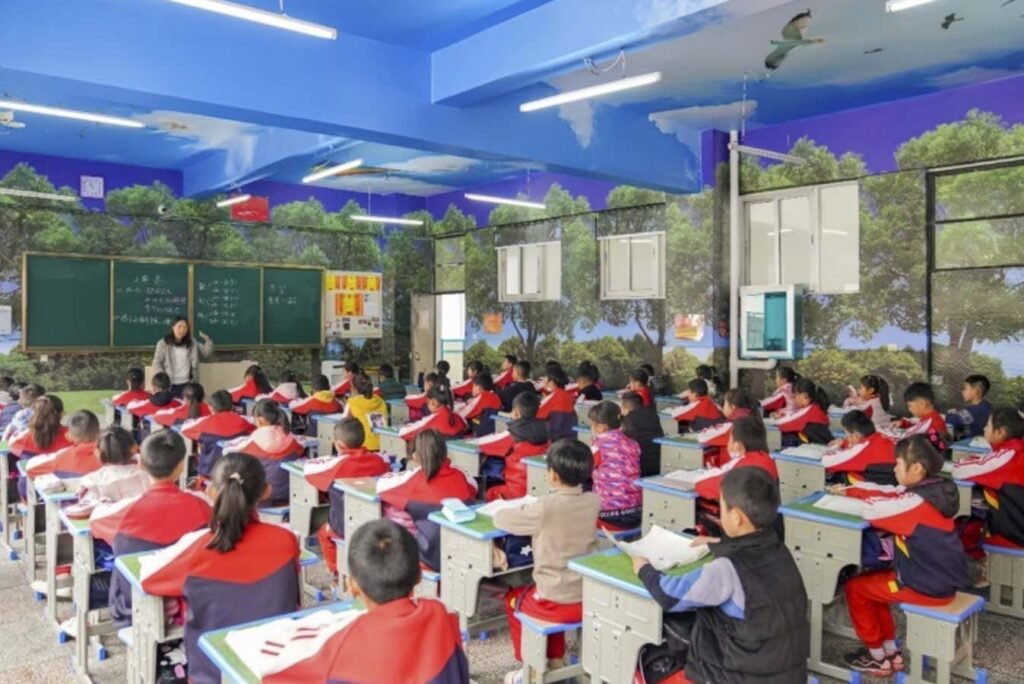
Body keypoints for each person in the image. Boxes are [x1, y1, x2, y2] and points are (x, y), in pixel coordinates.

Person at [630, 468, 809, 684]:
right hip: (788, 674)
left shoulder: (726, 569)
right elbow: (750, 551)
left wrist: (644, 568)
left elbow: (669, 594)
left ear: (737, 518)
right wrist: (720, 544)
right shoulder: (780, 550)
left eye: (722, 507)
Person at [140, 453, 300, 684]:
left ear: (211, 492)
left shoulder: (197, 547)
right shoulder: (286, 540)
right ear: (266, 491)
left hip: (211, 671)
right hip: (275, 665)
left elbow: (148, 579)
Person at [262, 520, 469, 684]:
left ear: (352, 585)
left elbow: (271, 676)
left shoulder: (340, 646)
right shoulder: (441, 616)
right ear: (418, 576)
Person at [838, 435, 969, 676]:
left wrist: (849, 496)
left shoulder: (913, 503)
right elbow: (891, 493)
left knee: (856, 588)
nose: (894, 469)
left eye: (898, 463)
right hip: (941, 578)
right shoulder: (934, 490)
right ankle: (890, 651)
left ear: (916, 468)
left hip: (925, 586)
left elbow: (873, 510)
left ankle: (877, 657)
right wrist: (852, 490)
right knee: (873, 584)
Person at [495, 439, 599, 682]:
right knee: (542, 592)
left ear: (552, 475)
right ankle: (556, 660)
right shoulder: (594, 501)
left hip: (553, 600)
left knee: (514, 599)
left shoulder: (545, 507)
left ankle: (529, 668)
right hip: (587, 596)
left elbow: (501, 520)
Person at [90, 430, 211, 628]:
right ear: (182, 465)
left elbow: (94, 524)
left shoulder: (123, 510)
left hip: (133, 603)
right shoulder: (202, 505)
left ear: (141, 464)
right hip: (191, 596)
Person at [377, 430, 477, 564]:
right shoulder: (460, 475)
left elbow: (381, 486)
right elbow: (474, 486)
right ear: (445, 451)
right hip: (463, 551)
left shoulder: (413, 481)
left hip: (430, 554)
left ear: (416, 456)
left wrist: (416, 468)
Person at [310, 418, 392, 577]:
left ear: (339, 444)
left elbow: (312, 475)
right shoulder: (378, 461)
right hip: (375, 520)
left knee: (323, 533)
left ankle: (336, 574)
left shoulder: (334, 465)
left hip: (341, 524)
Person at [953, 408, 1024, 549]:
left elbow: (958, 470)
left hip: (1016, 534)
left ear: (1001, 432)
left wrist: (972, 460)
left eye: (988, 425)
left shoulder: (1008, 455)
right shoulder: (1017, 449)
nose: (984, 429)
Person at [222, 399, 305, 506]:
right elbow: (301, 450)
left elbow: (228, 453)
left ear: (260, 421)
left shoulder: (252, 442)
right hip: (288, 492)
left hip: (260, 493)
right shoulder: (291, 439)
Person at [480, 391, 550, 501]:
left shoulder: (512, 436)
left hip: (515, 490)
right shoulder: (546, 432)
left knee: (489, 492)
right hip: (540, 488)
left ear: (516, 413)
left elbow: (481, 445)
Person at [694, 415, 777, 502]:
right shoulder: (768, 459)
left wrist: (711, 472)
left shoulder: (741, 466)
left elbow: (701, 484)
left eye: (730, 438)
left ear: (738, 446)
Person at [588, 402, 642, 530]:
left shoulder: (598, 447)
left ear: (600, 427)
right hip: (636, 512)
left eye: (592, 425)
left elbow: (579, 470)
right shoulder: (633, 443)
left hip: (609, 516)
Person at [181, 390, 255, 482]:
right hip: (237, 473)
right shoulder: (244, 421)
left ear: (210, 407)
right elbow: (256, 426)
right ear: (232, 406)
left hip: (210, 474)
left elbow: (184, 428)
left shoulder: (204, 422)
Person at [20, 404, 88, 493]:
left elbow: (29, 468)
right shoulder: (97, 451)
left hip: (37, 488)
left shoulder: (27, 435)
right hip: (74, 490)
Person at [823, 410, 897, 486]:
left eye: (846, 433)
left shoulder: (861, 449)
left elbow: (826, 463)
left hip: (873, 484)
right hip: (894, 479)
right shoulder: (883, 432)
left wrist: (834, 447)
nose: (845, 437)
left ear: (855, 435)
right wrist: (845, 442)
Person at [78, 426, 147, 503]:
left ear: (97, 453)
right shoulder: (149, 474)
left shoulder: (90, 482)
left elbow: (83, 506)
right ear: (135, 448)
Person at [697, 388, 761, 468]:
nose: (723, 407)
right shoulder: (754, 419)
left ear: (732, 407)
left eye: (724, 404)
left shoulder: (733, 425)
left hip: (732, 470)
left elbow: (703, 437)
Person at [151, 316, 213, 398]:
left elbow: (206, 353)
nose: (182, 330)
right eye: (179, 326)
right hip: (169, 385)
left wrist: (208, 340)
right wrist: (163, 380)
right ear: (173, 327)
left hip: (187, 384)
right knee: (171, 405)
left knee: (186, 405)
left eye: (185, 327)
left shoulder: (192, 342)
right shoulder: (163, 343)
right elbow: (157, 362)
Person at [888, 382, 949, 454]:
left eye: (910, 406)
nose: (909, 409)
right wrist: (903, 423)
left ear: (922, 404)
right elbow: (917, 427)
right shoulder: (927, 418)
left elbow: (935, 447)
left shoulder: (935, 423)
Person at [399, 386, 468, 442]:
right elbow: (465, 427)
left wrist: (406, 425)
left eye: (427, 401)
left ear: (433, 402)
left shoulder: (432, 420)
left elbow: (403, 433)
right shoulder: (459, 418)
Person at [775, 378, 832, 447]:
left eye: (795, 396)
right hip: (816, 442)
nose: (794, 400)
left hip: (815, 445)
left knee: (786, 438)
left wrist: (778, 419)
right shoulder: (815, 407)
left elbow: (783, 424)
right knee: (789, 436)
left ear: (803, 395)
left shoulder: (809, 410)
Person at [621, 390, 665, 477]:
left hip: (640, 466)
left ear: (625, 407)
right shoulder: (653, 416)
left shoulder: (628, 420)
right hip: (659, 463)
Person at [344, 373, 389, 451]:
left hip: (363, 448)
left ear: (354, 389)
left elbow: (343, 424)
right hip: (383, 446)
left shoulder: (352, 403)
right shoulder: (381, 400)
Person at [536, 367, 578, 441]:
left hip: (554, 438)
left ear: (551, 383)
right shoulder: (567, 396)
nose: (543, 380)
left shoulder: (553, 397)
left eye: (545, 377)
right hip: (569, 438)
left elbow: (537, 416)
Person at [946, 374, 992, 440]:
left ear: (976, 391)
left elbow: (950, 421)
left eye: (965, 388)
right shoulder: (988, 406)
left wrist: (950, 413)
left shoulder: (971, 411)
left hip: (969, 444)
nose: (962, 391)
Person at [458, 371, 502, 437]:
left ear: (479, 387)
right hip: (494, 429)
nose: (472, 389)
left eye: (473, 386)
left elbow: (464, 414)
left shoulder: (482, 397)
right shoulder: (495, 396)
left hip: (482, 432)